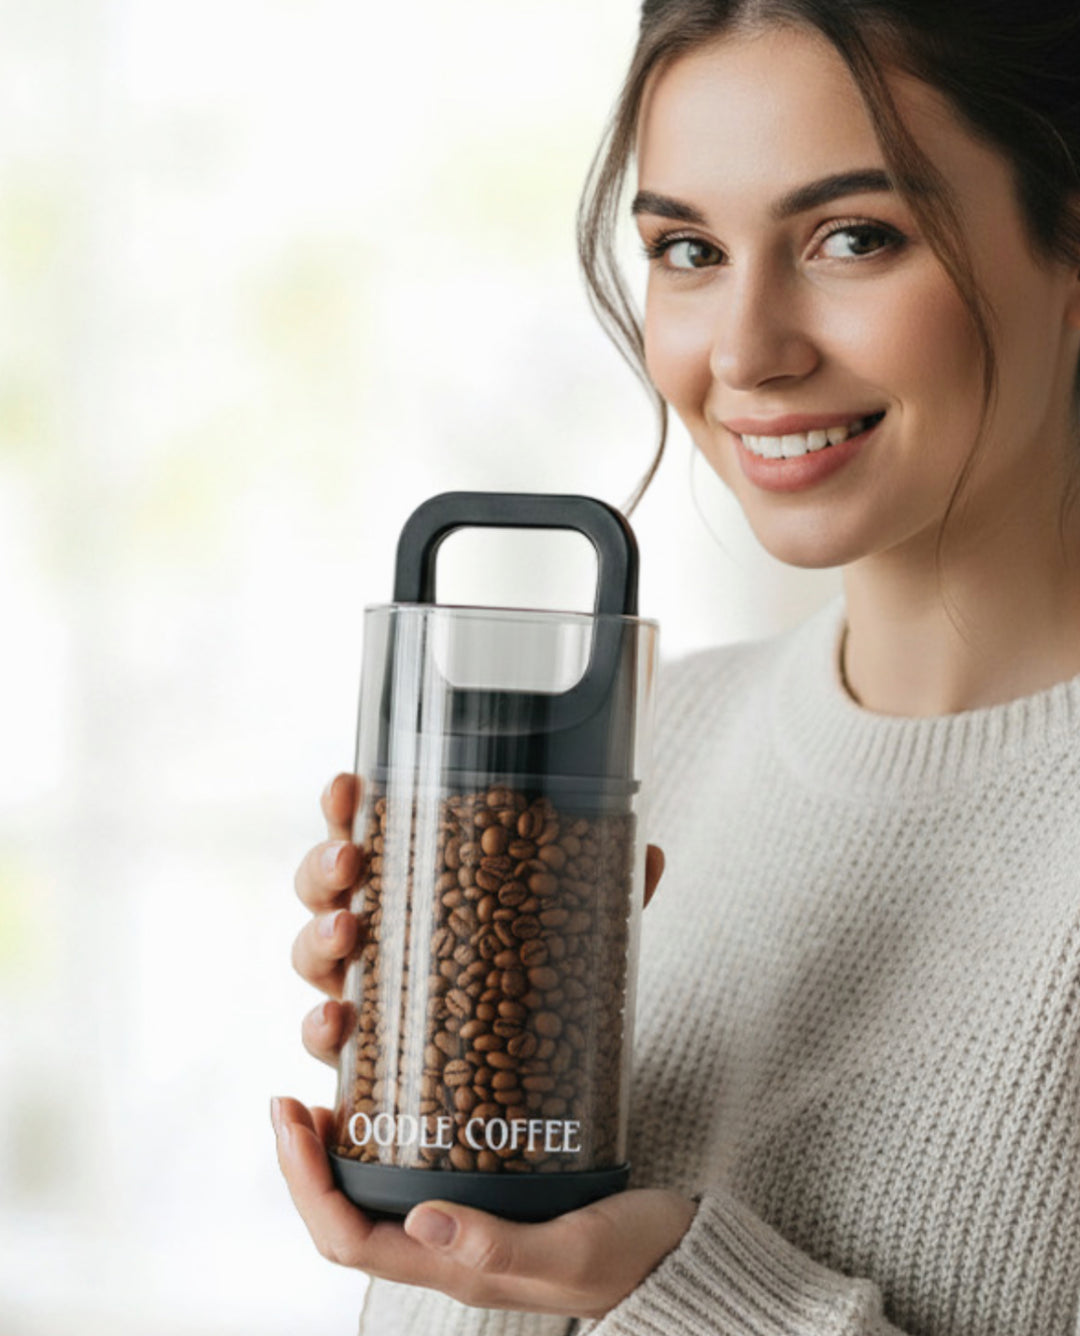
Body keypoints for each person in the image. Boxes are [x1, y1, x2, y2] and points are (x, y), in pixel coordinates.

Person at [273, 0, 1080, 1331]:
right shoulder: (661, 745)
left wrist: (676, 1288)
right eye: (688, 249)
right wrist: (470, 1201)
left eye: (852, 237)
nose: (747, 351)